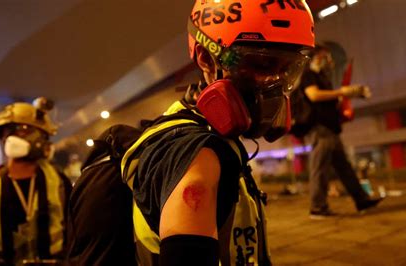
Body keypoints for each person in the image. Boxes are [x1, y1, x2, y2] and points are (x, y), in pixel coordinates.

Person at [119, 1, 315, 265]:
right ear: (205, 57)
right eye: (261, 63)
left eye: (287, 69)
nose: (274, 83)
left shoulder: (214, 139)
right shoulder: (196, 155)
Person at [0, 97, 72, 265]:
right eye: (9, 131)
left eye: (24, 130)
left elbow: (76, 233)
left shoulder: (59, 183)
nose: (11, 138)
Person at [299, 45, 383, 219]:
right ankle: (317, 207)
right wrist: (342, 91)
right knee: (319, 168)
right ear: (316, 57)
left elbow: (332, 100)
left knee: (345, 168)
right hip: (319, 128)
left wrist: (350, 94)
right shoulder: (309, 75)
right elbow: (313, 96)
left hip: (331, 128)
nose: (329, 60)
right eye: (326, 56)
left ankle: (362, 200)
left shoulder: (323, 77)